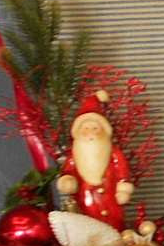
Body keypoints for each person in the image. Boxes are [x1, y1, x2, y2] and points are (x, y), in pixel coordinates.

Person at [56, 91, 134, 230]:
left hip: (110, 198)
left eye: (95, 128)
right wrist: (67, 180)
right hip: (85, 200)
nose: (90, 132)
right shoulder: (75, 155)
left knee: (114, 222)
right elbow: (68, 171)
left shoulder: (113, 153)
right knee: (87, 223)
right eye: (86, 128)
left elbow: (122, 171)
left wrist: (123, 189)